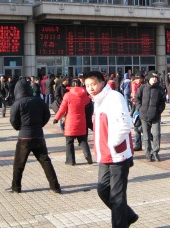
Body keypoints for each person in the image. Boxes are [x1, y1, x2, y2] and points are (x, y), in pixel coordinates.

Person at [84, 71, 138, 227]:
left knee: (117, 197)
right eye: (87, 85)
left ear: (102, 82)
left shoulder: (114, 97)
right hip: (104, 155)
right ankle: (128, 216)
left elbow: (125, 124)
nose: (90, 88)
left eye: (93, 84)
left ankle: (121, 223)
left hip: (118, 155)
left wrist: (113, 144)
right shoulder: (97, 101)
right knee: (102, 190)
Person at [8, 78, 61, 194]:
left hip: (24, 137)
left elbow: (13, 120)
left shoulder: (17, 104)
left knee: (19, 164)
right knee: (46, 162)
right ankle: (55, 186)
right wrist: (40, 125)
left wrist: (19, 128)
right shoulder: (39, 101)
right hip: (38, 135)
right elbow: (47, 115)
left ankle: (16, 187)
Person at [53, 79, 93, 165]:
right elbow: (88, 102)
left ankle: (70, 161)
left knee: (69, 142)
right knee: (83, 140)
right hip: (81, 120)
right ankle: (88, 155)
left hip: (71, 121)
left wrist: (56, 118)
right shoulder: (84, 95)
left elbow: (62, 108)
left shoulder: (67, 95)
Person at [135, 70, 166, 162]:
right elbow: (137, 98)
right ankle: (148, 154)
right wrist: (139, 108)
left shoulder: (160, 89)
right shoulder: (142, 88)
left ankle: (155, 152)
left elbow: (162, 103)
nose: (154, 79)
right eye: (152, 77)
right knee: (146, 136)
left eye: (156, 78)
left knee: (156, 135)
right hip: (144, 115)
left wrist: (158, 111)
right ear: (148, 78)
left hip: (156, 116)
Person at [130, 72, 144, 151]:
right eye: (137, 79)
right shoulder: (133, 84)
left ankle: (151, 137)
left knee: (142, 127)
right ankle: (138, 144)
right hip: (136, 106)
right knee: (136, 126)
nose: (138, 80)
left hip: (143, 107)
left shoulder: (144, 85)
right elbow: (134, 95)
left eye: (140, 79)